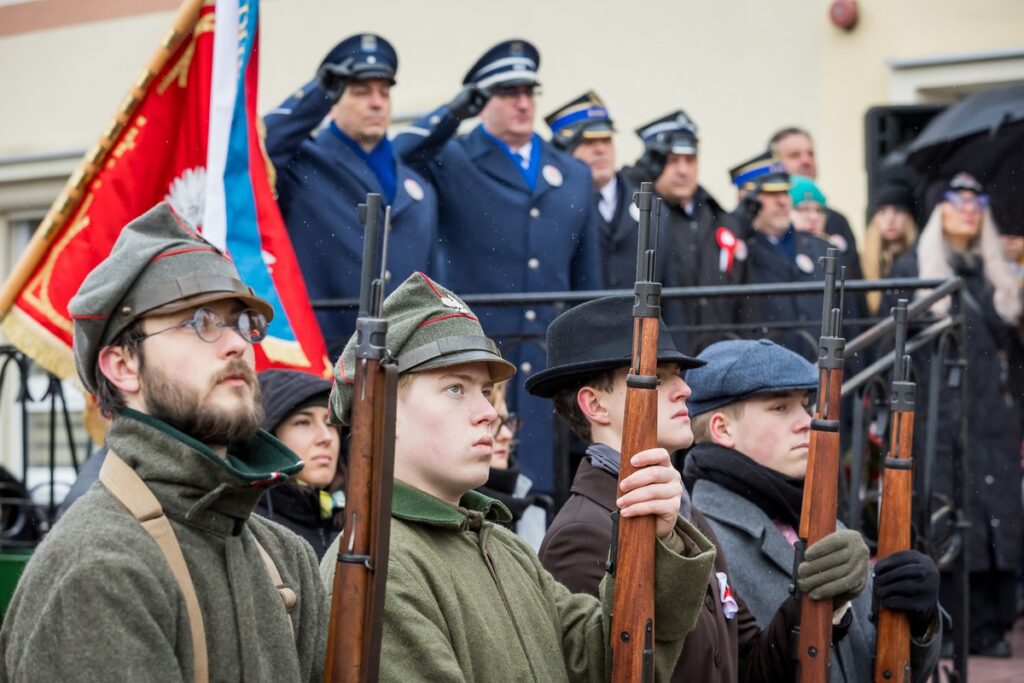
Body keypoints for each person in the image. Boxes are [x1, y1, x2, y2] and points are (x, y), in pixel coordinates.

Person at [321, 272, 716, 681]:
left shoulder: (507, 551)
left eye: (487, 392)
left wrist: (658, 542)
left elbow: (604, 663)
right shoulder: (382, 567)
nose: (489, 413)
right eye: (456, 388)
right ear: (384, 411)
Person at [1, 203, 327, 680]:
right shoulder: (101, 568)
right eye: (201, 321)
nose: (238, 344)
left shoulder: (285, 557)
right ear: (123, 366)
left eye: (240, 323)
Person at [529, 296, 873, 682]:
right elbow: (602, 670)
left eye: (680, 374)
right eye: (659, 377)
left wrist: (822, 596)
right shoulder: (582, 532)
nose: (685, 391)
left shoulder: (691, 520)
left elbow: (751, 666)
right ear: (595, 405)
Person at [393, 39, 602, 495]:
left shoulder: (570, 172)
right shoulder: (454, 155)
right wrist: (451, 113)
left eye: (529, 92)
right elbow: (397, 155)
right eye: (508, 92)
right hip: (480, 349)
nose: (523, 103)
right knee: (480, 472)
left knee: (544, 484)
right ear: (482, 99)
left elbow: (588, 278)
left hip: (547, 355)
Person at [684, 338, 943, 683]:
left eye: (805, 406)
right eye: (780, 408)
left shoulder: (816, 520)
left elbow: (883, 668)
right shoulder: (702, 542)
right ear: (722, 429)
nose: (806, 421)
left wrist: (919, 621)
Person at [885, 172, 1023, 657]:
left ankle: (990, 625)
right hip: (937, 414)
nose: (968, 208)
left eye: (977, 200)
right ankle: (947, 624)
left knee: (995, 517)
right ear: (938, 209)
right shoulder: (913, 267)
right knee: (944, 512)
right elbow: (890, 346)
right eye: (956, 199)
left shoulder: (997, 272)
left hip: (994, 416)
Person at [265, 34, 437, 356]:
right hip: (326, 350)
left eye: (384, 92)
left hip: (404, 354)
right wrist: (317, 93)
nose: (376, 102)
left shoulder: (415, 184)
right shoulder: (301, 166)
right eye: (360, 92)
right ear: (331, 103)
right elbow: (258, 147)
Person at [622, 110, 749, 352]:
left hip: (718, 357)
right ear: (653, 163)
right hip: (661, 358)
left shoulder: (719, 219)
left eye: (690, 161)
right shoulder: (640, 218)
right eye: (672, 160)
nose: (683, 171)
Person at [728, 152, 836, 360]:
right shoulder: (738, 249)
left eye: (785, 192)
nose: (782, 202)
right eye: (770, 194)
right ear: (746, 199)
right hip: (767, 374)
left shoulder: (818, 248)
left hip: (821, 371)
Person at [255, 369, 343, 559]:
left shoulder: (351, 525)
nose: (326, 437)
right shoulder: (247, 527)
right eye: (303, 422)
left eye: (330, 424)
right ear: (269, 437)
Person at [769, 126, 863, 281]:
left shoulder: (836, 220)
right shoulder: (764, 218)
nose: (806, 161)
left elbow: (853, 282)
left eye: (810, 154)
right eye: (794, 155)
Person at [474, 380, 549, 550]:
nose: (506, 434)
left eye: (507, 422)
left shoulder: (530, 508)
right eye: (492, 424)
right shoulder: (459, 507)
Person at [861, 166, 919, 314]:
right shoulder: (863, 265)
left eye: (898, 211)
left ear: (909, 218)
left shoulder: (919, 260)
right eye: (882, 212)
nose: (890, 219)